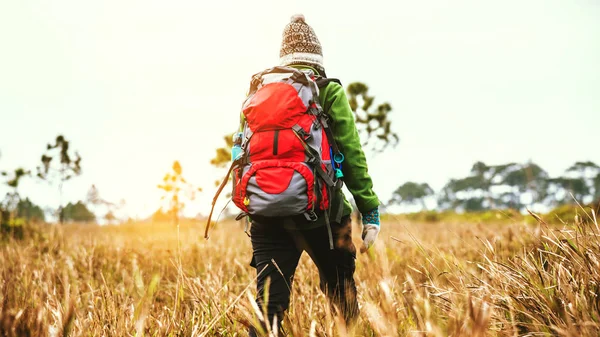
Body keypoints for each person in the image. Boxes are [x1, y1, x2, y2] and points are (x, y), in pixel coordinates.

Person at [245, 14, 381, 336]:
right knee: (342, 301)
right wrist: (369, 209)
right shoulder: (327, 91)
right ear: (318, 59)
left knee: (268, 310)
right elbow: (352, 156)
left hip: (266, 216)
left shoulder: (258, 93)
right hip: (325, 215)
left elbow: (242, 154)